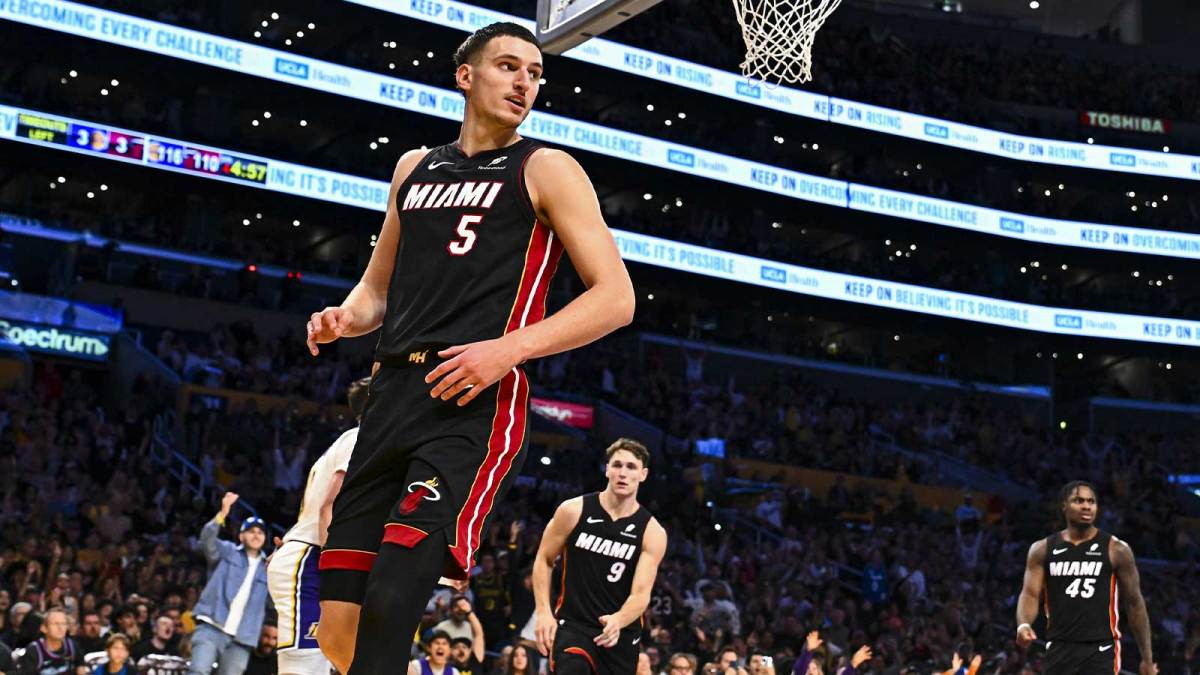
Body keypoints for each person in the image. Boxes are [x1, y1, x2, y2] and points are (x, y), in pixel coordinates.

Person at [306, 19, 635, 675]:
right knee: (339, 628)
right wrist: (344, 317)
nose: (524, 83)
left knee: (395, 600)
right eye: (509, 66)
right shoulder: (414, 168)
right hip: (391, 396)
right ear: (466, 75)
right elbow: (376, 291)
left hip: (471, 399)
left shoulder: (546, 168)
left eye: (535, 74)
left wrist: (506, 350)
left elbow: (616, 297)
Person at [532, 439, 668, 674]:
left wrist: (619, 619)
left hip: (620, 633)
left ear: (643, 474)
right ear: (607, 469)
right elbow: (544, 560)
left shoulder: (652, 532)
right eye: (617, 465)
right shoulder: (573, 510)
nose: (623, 473)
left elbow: (641, 595)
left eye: (631, 467)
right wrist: (543, 612)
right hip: (575, 625)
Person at [267, 377, 369, 675]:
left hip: (311, 555)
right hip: (313, 559)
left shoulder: (358, 439)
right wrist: (336, 569)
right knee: (304, 669)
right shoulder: (360, 439)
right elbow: (330, 507)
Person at [1015, 480, 1158, 675]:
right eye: (1079, 500)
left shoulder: (1117, 549)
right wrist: (1023, 624)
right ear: (1064, 505)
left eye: (1091, 501)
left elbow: (1135, 605)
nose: (1086, 506)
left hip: (1101, 648)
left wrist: (1147, 659)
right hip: (1059, 646)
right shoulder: (1042, 549)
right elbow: (1030, 594)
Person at [189, 493, 271, 675]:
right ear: (241, 536)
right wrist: (222, 513)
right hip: (212, 625)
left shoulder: (269, 567)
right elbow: (206, 542)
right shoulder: (228, 551)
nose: (256, 535)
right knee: (198, 671)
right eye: (251, 531)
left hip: (243, 637)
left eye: (260, 532)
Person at [12, 609, 81, 675]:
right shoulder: (34, 650)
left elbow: (81, 668)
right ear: (44, 628)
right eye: (55, 623)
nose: (60, 627)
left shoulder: (72, 645)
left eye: (63, 623)